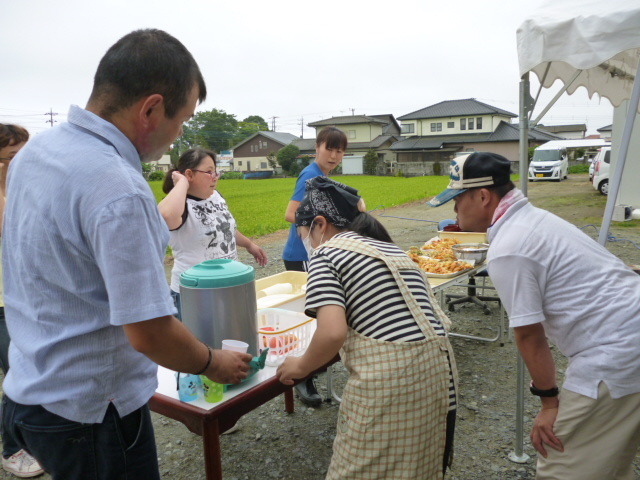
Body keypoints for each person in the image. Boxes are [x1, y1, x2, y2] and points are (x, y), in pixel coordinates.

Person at [1, 29, 252, 480]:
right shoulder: (118, 188)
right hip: (94, 412)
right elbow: (150, 331)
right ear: (151, 109)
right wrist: (212, 362)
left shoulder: (35, 153)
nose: (179, 135)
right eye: (182, 121)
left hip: (29, 392)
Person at [428, 151, 640, 480]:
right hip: (627, 332)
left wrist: (550, 402)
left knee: (561, 465)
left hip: (617, 350)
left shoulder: (510, 246)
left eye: (457, 200)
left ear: (483, 196)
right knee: (607, 459)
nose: (454, 210)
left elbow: (529, 334)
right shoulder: (535, 219)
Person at [277, 177, 458, 479]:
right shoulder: (391, 249)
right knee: (417, 463)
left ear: (319, 225)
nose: (306, 242)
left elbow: (332, 333)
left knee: (360, 467)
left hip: (391, 378)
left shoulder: (327, 253)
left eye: (303, 233)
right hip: (441, 371)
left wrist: (300, 367)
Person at [158, 147, 267, 318]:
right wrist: (182, 184)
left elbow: (225, 229)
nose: (215, 177)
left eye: (216, 172)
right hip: (195, 294)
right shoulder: (181, 205)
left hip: (227, 285)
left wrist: (249, 244)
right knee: (201, 344)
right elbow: (165, 216)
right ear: (189, 174)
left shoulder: (215, 196)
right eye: (209, 172)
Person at [282, 126, 347, 407]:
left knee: (316, 313)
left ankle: (308, 367)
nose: (334, 155)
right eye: (329, 148)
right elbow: (290, 213)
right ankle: (303, 376)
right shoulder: (310, 175)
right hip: (303, 254)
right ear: (317, 147)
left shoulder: (323, 175)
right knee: (311, 317)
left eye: (339, 150)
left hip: (313, 254)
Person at [0, 124, 44, 478]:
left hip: (24, 298)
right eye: (13, 157)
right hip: (2, 304)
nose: (23, 163)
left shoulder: (29, 189)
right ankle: (12, 448)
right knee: (18, 373)